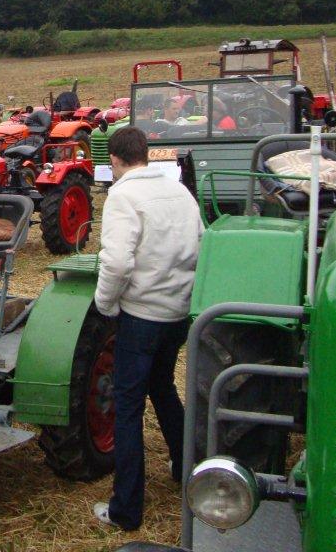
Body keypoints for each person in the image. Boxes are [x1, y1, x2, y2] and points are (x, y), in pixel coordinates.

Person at [92, 126, 204, 532]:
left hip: (141, 316)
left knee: (127, 408)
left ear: (115, 161)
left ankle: (125, 509)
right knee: (162, 386)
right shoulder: (179, 192)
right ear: (146, 154)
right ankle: (185, 465)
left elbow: (117, 262)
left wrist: (106, 304)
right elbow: (201, 241)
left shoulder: (123, 196)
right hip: (178, 312)